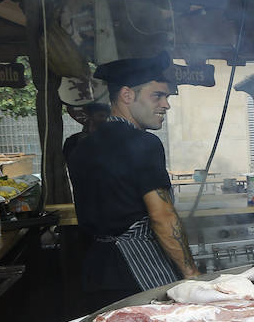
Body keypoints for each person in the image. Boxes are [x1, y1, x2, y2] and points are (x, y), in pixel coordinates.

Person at [68, 52, 199, 308]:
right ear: (127, 95)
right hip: (138, 269)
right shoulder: (144, 143)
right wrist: (191, 275)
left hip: (96, 271)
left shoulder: (80, 147)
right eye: (157, 96)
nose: (166, 105)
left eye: (167, 97)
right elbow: (162, 217)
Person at [62, 101, 110, 165]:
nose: (104, 119)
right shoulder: (73, 141)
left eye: (107, 117)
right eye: (101, 116)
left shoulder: (109, 140)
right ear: (90, 116)